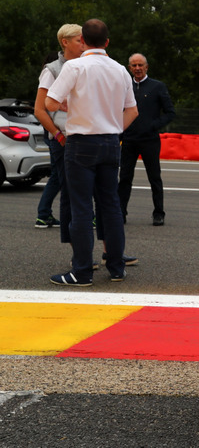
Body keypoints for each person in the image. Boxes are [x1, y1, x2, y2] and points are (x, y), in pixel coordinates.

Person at [46, 19, 138, 286]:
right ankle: (117, 267)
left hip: (81, 144)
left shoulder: (74, 66)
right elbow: (132, 110)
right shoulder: (121, 70)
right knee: (111, 206)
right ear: (107, 42)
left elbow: (50, 101)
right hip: (110, 142)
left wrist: (69, 105)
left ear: (83, 41)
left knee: (82, 208)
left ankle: (82, 271)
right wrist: (112, 129)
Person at [117, 53, 176, 226]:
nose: (137, 68)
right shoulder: (124, 87)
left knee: (154, 177)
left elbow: (170, 113)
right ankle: (121, 212)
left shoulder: (157, 86)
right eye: (134, 66)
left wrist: (153, 125)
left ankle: (159, 213)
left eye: (140, 65)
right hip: (128, 139)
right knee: (125, 177)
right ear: (129, 68)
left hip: (149, 140)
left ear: (146, 67)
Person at [33, 49, 71, 228]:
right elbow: (40, 109)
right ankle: (47, 214)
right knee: (63, 176)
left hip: (55, 130)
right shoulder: (52, 71)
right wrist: (57, 134)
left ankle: (44, 213)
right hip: (56, 130)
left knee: (58, 175)